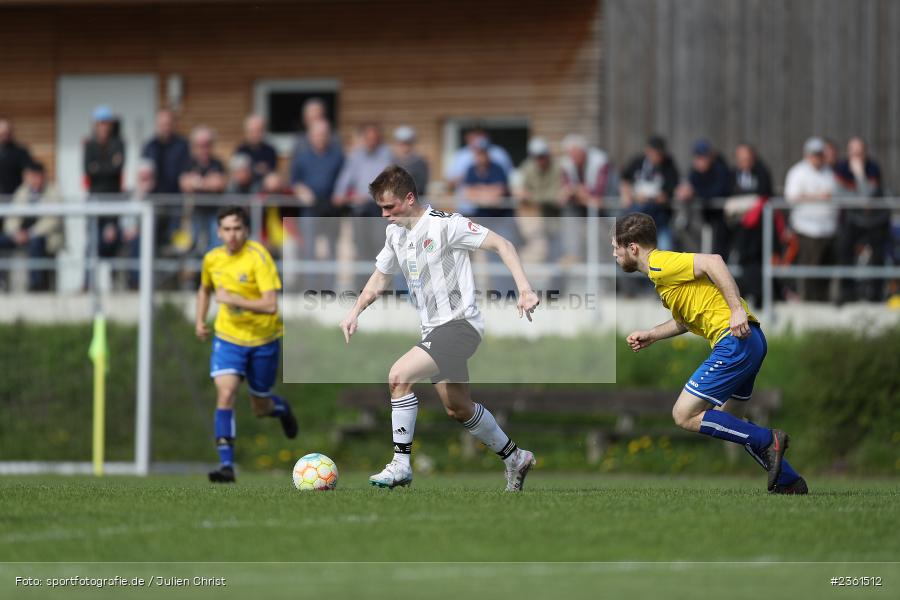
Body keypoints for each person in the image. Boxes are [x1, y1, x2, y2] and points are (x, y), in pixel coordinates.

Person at [340, 165, 540, 491]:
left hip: (460, 326)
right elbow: (380, 277)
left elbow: (503, 244)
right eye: (379, 208)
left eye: (389, 207)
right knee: (457, 407)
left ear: (409, 198)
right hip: (434, 332)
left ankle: (400, 464)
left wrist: (525, 288)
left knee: (398, 376)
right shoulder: (396, 234)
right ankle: (515, 458)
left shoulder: (448, 225)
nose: (384, 215)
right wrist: (354, 311)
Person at [612, 212, 807, 494]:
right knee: (731, 421)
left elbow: (712, 261)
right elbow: (685, 320)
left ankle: (768, 439)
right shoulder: (664, 278)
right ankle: (789, 481)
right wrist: (652, 334)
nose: (613, 254)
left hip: (734, 341)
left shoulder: (659, 263)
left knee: (684, 414)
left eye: (615, 248)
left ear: (633, 248)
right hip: (751, 340)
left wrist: (737, 308)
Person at [195, 205, 298, 483]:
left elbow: (270, 304)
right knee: (226, 394)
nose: (232, 235)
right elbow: (204, 288)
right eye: (226, 229)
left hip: (263, 340)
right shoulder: (212, 259)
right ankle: (227, 465)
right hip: (228, 338)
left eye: (237, 229)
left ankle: (281, 408)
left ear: (246, 231)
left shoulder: (258, 257)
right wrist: (200, 321)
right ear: (219, 232)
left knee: (259, 407)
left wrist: (233, 300)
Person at [5, 162, 63, 291]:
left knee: (36, 243)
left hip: (43, 237)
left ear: (44, 176)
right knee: (2, 240)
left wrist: (30, 233)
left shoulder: (53, 192)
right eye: (33, 176)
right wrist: (15, 232)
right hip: (21, 236)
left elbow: (53, 220)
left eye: (38, 176)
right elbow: (11, 217)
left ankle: (36, 287)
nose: (36, 179)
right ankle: (2, 284)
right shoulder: (23, 191)